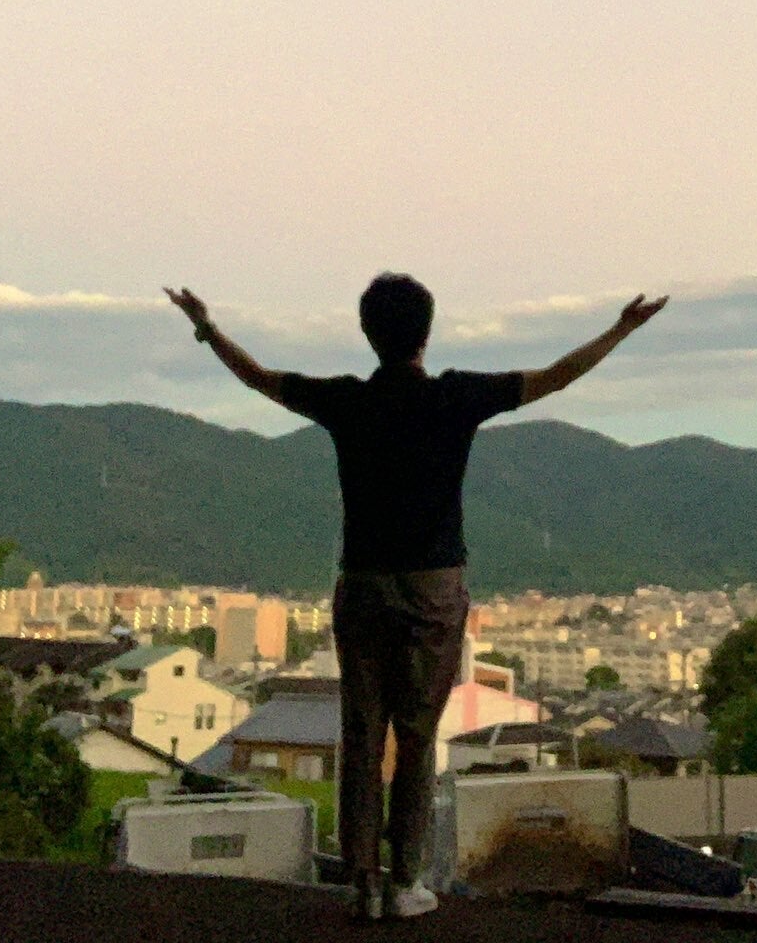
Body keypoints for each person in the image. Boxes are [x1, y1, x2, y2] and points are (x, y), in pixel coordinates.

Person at [165, 273, 666, 921]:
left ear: (367, 331)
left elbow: (259, 378)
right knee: (418, 736)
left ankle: (362, 883)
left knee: (361, 734)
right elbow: (555, 377)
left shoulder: (349, 401)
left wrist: (206, 327)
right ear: (426, 334)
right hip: (433, 587)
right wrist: (621, 329)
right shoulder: (455, 397)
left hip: (364, 582)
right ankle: (406, 881)